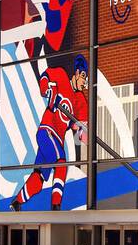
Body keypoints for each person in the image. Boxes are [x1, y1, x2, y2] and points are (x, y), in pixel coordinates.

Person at [10, 55, 91, 210]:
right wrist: (48, 90)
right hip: (46, 131)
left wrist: (83, 133)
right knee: (61, 161)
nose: (84, 82)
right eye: (83, 76)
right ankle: (56, 205)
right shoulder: (60, 75)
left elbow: (77, 134)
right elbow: (44, 79)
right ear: (76, 73)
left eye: (86, 79)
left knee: (38, 178)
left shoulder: (81, 101)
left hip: (56, 140)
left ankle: (16, 203)